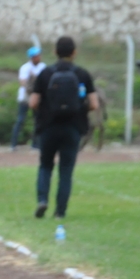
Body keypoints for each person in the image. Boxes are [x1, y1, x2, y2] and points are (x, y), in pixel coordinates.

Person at [28, 36, 98, 219]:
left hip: (48, 127)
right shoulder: (82, 74)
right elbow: (94, 104)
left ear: (54, 52)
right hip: (73, 127)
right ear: (74, 52)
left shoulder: (45, 74)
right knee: (66, 170)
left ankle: (42, 200)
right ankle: (60, 212)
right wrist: (79, 108)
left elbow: (33, 102)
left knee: (45, 166)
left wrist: (45, 110)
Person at [11, 46, 45, 152]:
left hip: (37, 97)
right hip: (25, 97)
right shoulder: (25, 68)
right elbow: (23, 83)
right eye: (37, 56)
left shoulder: (43, 67)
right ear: (32, 57)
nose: (39, 57)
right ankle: (13, 144)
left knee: (37, 120)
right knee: (21, 120)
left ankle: (36, 145)